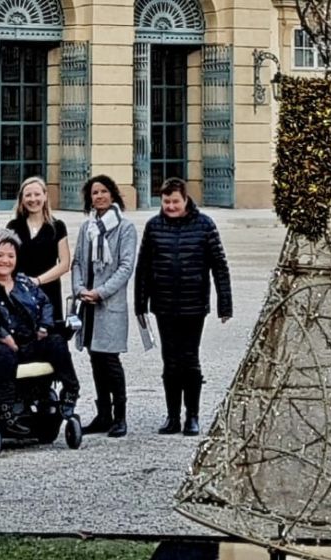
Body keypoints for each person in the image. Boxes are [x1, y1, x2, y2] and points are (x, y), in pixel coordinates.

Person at [135, 177, 232, 437]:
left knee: (190, 360)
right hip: (164, 305)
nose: (170, 206)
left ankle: (193, 416)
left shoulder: (205, 225)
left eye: (175, 201)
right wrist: (140, 304)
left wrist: (225, 304)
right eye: (166, 201)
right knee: (170, 361)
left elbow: (219, 266)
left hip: (193, 305)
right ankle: (172, 417)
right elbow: (143, 268)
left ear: (185, 199)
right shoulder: (153, 226)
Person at [0, 229, 81, 436]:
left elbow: (46, 303)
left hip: (29, 342)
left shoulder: (24, 283)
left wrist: (44, 326)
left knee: (57, 342)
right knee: (4, 354)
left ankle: (71, 391)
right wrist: (3, 335)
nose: (5, 261)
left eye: (11, 256)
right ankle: (6, 410)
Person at [72, 175, 137, 438]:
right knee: (95, 358)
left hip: (108, 304)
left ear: (113, 194)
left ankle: (119, 416)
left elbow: (125, 267)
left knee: (110, 360)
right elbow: (77, 261)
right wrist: (79, 289)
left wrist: (101, 292)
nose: (98, 196)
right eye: (94, 193)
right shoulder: (87, 227)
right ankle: (103, 414)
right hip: (88, 303)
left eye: (103, 191)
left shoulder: (125, 228)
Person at [6, 177, 71, 319]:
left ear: (45, 196)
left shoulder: (57, 226)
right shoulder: (13, 226)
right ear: (22, 199)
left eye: (37, 194)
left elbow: (65, 264)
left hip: (49, 291)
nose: (33, 199)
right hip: (20, 291)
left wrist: (38, 280)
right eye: (28, 195)